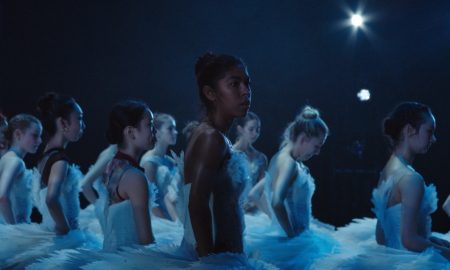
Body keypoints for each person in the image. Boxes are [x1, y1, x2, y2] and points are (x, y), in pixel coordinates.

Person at [312, 102, 450, 270]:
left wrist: (430, 240)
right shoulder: (412, 179)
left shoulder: (388, 170)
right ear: (409, 130)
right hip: (410, 262)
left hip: (391, 259)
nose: (434, 139)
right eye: (430, 131)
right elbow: (409, 240)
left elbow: (381, 236)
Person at [245, 106, 338, 269]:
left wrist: (275, 220)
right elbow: (276, 201)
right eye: (317, 146)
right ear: (303, 139)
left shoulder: (282, 158)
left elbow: (254, 194)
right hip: (294, 242)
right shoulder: (288, 163)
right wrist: (291, 236)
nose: (317, 152)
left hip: (297, 236)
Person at [0, 114, 42, 224]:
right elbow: (2, 196)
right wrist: (14, 229)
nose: (40, 141)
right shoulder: (15, 161)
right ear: (18, 134)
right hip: (11, 228)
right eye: (35, 136)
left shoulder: (7, 158)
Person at [140, 113, 181, 221]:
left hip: (173, 213)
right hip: (157, 218)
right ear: (157, 133)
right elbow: (150, 200)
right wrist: (169, 225)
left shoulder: (170, 160)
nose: (175, 132)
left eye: (175, 128)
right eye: (170, 129)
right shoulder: (149, 162)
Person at [232, 112, 269, 215]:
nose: (255, 134)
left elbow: (263, 189)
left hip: (254, 210)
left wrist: (253, 204)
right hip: (233, 209)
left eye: (258, 130)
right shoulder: (229, 154)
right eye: (251, 129)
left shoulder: (261, 158)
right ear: (240, 129)